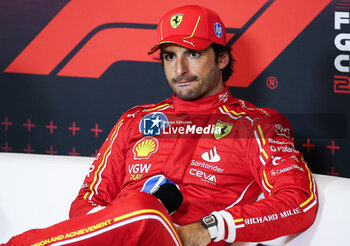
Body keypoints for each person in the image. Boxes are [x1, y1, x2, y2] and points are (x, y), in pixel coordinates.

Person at [3, 5, 317, 246]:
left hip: (186, 239)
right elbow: (89, 200)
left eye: (193, 54)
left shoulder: (256, 125)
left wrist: (210, 227)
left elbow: (298, 201)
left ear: (221, 58)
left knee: (145, 207)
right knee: (141, 209)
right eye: (169, 57)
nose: (179, 69)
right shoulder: (135, 120)